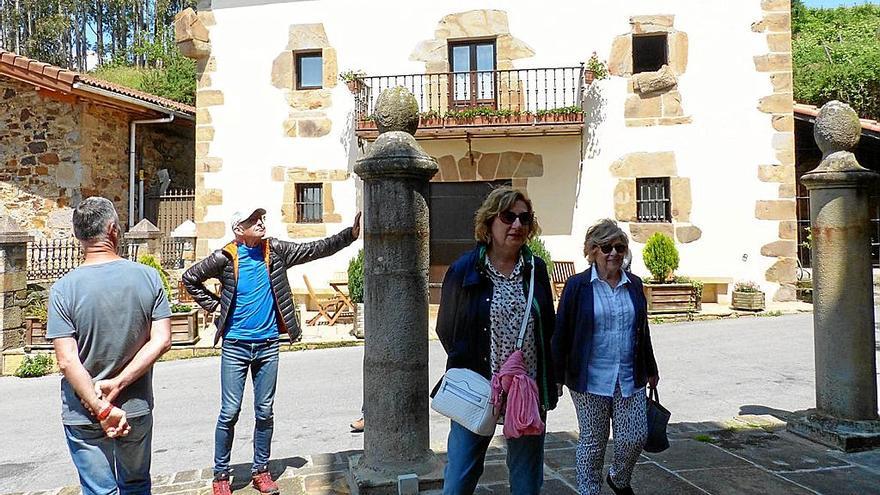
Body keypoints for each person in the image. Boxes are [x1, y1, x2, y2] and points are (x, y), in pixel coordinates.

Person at [182, 205, 360, 495]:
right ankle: (221, 475)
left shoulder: (274, 250)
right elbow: (190, 278)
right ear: (239, 229)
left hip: (268, 345)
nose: (260, 223)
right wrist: (217, 307)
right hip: (236, 346)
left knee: (264, 411)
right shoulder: (226, 256)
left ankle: (261, 471)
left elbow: (315, 248)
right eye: (253, 220)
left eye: (261, 218)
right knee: (229, 412)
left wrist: (349, 235)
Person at [436, 187, 557, 495]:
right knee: (461, 474)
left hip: (525, 389)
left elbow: (548, 327)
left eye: (524, 218)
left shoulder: (535, 270)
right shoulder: (465, 269)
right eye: (508, 217)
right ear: (490, 222)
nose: (516, 225)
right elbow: (446, 328)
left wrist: (549, 378)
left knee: (527, 478)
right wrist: (472, 364)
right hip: (479, 387)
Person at [47, 197, 172, 494]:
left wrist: (100, 407)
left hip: (83, 410)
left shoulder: (63, 288)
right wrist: (118, 383)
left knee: (99, 490)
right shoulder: (147, 277)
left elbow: (67, 361)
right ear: (113, 230)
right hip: (134, 405)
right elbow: (162, 339)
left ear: (78, 236)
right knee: (136, 484)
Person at [552, 219, 659, 495]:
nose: (613, 253)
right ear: (592, 251)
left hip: (628, 376)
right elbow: (561, 332)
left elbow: (642, 330)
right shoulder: (577, 286)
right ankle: (589, 491)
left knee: (635, 437)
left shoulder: (634, 284)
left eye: (619, 247)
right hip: (589, 378)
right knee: (592, 441)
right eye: (605, 247)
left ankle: (618, 478)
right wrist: (556, 376)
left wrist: (651, 367)